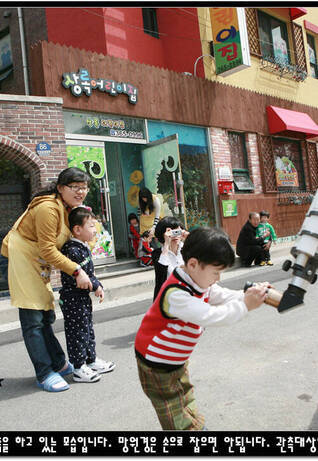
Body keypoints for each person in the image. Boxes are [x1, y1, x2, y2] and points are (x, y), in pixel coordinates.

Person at [135, 227, 270, 430]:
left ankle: (196, 426)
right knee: (174, 414)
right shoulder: (176, 294)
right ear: (193, 264)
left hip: (175, 361)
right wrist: (245, 305)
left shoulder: (197, 280)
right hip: (156, 367)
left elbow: (220, 294)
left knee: (185, 397)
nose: (217, 278)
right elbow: (210, 315)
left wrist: (250, 294)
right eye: (216, 272)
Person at [0, 167, 95, 392]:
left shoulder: (68, 208)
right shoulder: (48, 208)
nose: (80, 192)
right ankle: (44, 373)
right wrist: (76, 271)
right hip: (24, 257)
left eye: (84, 188)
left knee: (46, 315)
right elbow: (49, 249)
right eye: (74, 187)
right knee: (33, 318)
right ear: (61, 188)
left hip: (38, 261)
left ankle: (59, 363)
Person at [59, 207, 115, 383]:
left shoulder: (80, 246)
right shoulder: (72, 250)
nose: (95, 230)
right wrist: (96, 285)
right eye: (91, 226)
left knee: (87, 329)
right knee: (78, 333)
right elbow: (83, 275)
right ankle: (78, 367)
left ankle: (90, 360)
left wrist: (96, 285)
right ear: (77, 230)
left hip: (81, 297)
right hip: (73, 298)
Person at [152, 216, 188, 300]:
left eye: (177, 231)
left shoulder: (187, 249)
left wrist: (189, 237)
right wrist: (167, 244)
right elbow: (161, 272)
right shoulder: (158, 254)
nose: (175, 235)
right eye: (172, 232)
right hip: (167, 300)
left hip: (188, 297)